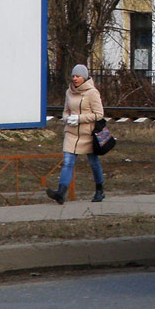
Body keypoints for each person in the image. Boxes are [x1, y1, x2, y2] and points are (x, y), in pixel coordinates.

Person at [46, 64, 106, 205]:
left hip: (88, 134)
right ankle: (61, 193)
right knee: (67, 162)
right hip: (72, 133)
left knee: (93, 162)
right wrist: (68, 119)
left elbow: (99, 114)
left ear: (84, 77)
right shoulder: (69, 92)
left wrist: (80, 118)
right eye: (73, 76)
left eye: (78, 76)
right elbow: (66, 111)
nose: (75, 79)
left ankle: (100, 190)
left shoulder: (92, 93)